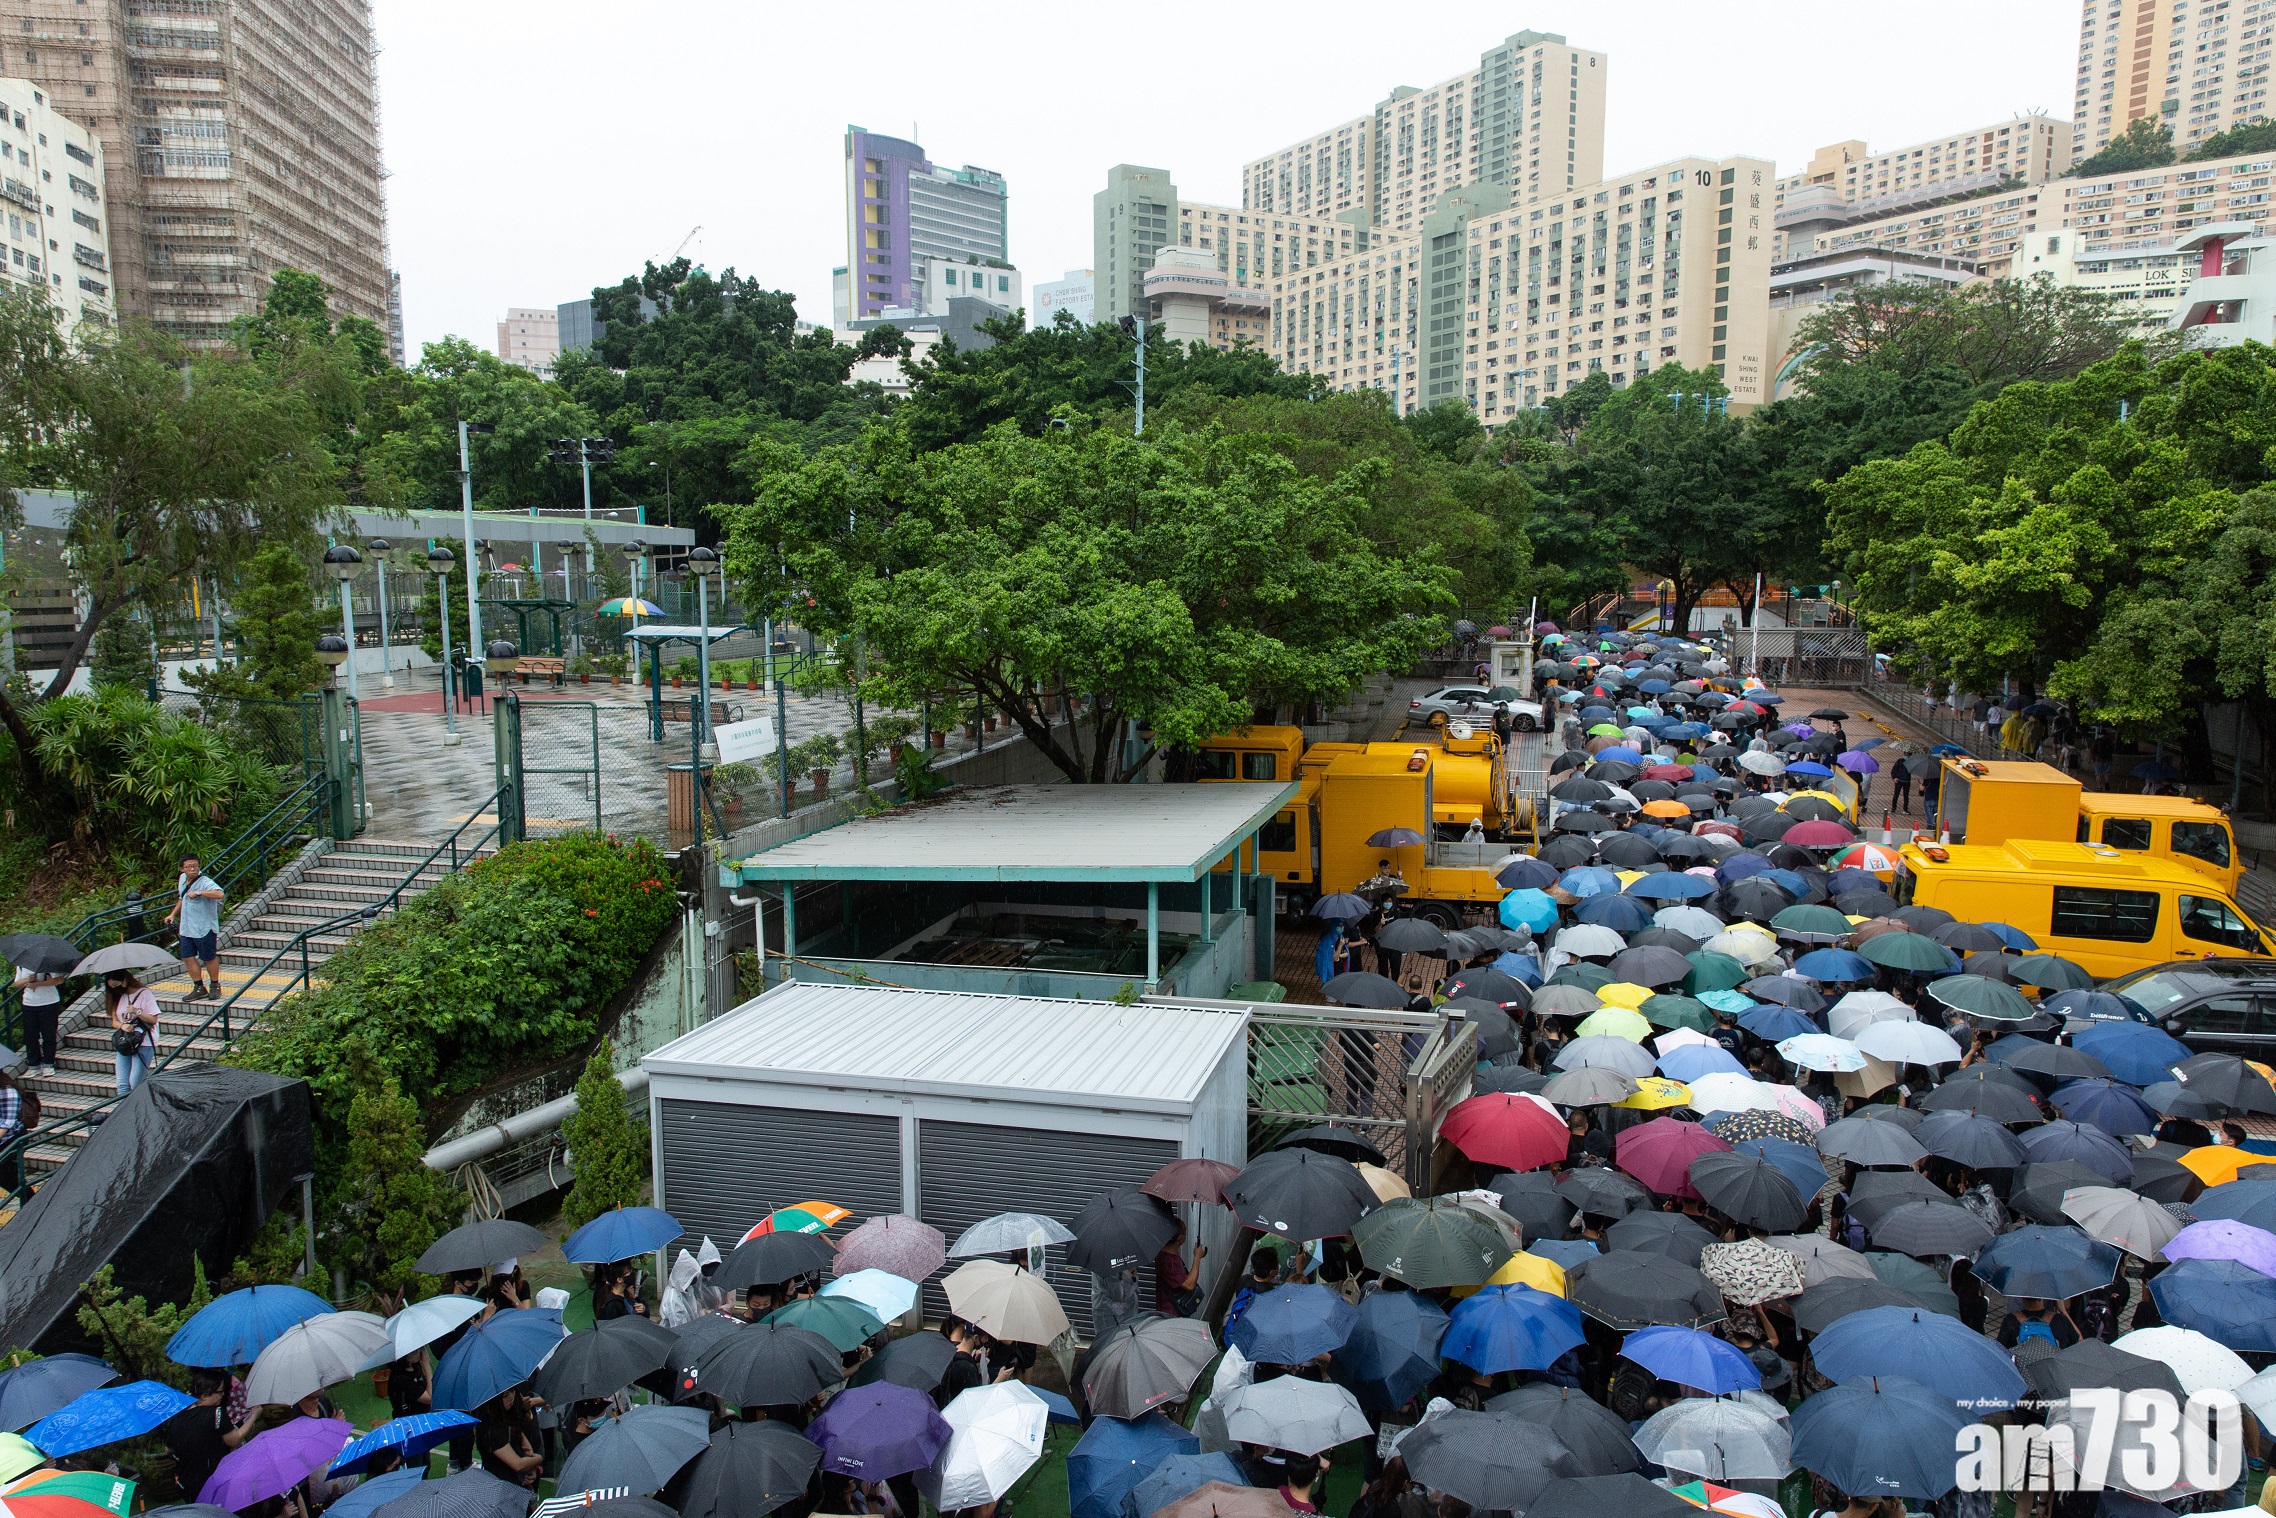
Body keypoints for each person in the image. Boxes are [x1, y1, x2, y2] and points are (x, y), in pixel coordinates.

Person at [163, 1367, 255, 1504]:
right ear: (204, 1395)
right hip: (214, 1481)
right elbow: (234, 1440)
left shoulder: (177, 1416)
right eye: (219, 1392)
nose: (222, 1395)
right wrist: (254, 1416)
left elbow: (168, 1449)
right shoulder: (216, 1413)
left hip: (187, 1483)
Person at [166, 855, 225, 1001]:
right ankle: (199, 987)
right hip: (186, 927)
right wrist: (172, 914)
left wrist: (199, 893)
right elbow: (182, 898)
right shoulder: (182, 879)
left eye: (195, 866)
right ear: (182, 869)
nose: (192, 869)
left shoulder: (205, 882)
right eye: (188, 866)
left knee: (208, 958)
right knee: (187, 957)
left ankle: (215, 985)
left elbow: (220, 893)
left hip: (204, 928)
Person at [104, 971, 160, 1096]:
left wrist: (137, 1011)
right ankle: (125, 1113)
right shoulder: (118, 997)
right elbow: (115, 1021)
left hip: (144, 1042)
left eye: (115, 985)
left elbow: (154, 1019)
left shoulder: (144, 994)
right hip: (126, 1042)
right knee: (122, 1084)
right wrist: (123, 1026)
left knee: (135, 1083)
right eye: (111, 987)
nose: (114, 989)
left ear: (124, 981)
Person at [476, 1389, 543, 1487]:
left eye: (512, 1391)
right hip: (501, 1488)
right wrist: (539, 1459)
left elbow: (527, 1448)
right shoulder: (491, 1429)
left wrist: (531, 1466)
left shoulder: (508, 1417)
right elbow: (518, 1464)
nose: (511, 1397)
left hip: (516, 1485)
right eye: (505, 1396)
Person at [10, 960, 62, 1078]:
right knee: (30, 1036)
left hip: (49, 1002)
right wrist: (29, 980)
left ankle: (48, 1064)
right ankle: (34, 1065)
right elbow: (17, 984)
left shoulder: (49, 963)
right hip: (29, 1003)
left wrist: (38, 983)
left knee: (48, 1034)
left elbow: (59, 980)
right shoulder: (21, 964)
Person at [1154, 1218, 1204, 1317]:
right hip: (1170, 1313)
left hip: (1171, 1310)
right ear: (1181, 1239)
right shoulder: (1168, 1261)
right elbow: (1189, 1285)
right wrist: (1197, 1258)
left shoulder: (1168, 1254)